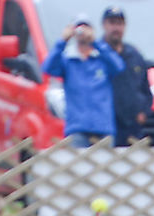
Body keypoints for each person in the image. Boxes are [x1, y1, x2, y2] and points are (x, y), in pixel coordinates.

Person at [44, 14, 124, 146]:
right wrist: (63, 41)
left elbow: (119, 66)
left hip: (103, 128)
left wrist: (95, 42)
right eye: (79, 28)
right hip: (77, 129)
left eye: (86, 28)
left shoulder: (101, 58)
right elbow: (48, 68)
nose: (82, 32)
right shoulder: (68, 60)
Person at [101, 7, 152, 146]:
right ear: (104, 25)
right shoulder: (96, 53)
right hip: (105, 124)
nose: (116, 28)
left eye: (119, 24)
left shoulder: (134, 55)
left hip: (132, 126)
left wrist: (144, 112)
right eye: (112, 23)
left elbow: (145, 89)